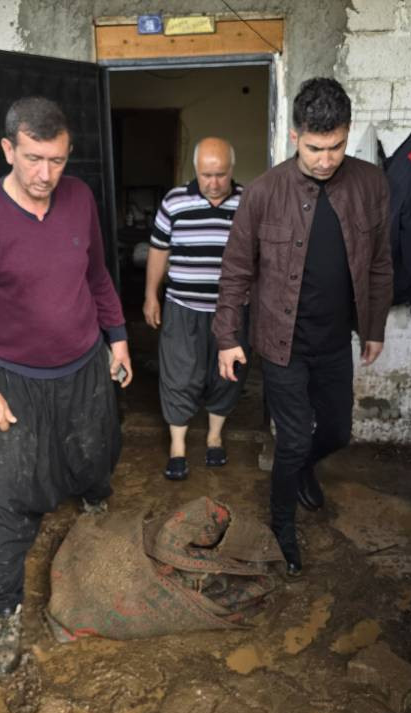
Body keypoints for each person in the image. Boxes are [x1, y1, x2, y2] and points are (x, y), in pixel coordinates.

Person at [0, 96, 132, 675]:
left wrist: (118, 337)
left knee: (95, 450)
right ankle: (4, 610)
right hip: (12, 379)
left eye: (58, 160)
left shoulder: (80, 198)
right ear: (8, 150)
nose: (46, 174)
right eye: (34, 159)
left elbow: (97, 275)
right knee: (8, 495)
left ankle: (93, 502)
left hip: (84, 365)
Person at [214, 78, 393, 577]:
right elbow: (235, 271)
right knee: (291, 440)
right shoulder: (264, 192)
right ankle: (282, 529)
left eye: (336, 146)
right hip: (281, 342)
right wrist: (226, 337)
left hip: (334, 341)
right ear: (295, 136)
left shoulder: (371, 184)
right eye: (315, 148)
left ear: (348, 132)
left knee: (337, 432)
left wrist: (374, 327)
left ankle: (302, 469)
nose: (326, 159)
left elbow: (380, 263)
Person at [144, 137, 247, 480]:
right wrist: (151, 295)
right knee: (179, 374)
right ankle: (178, 447)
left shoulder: (248, 202)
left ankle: (215, 437)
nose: (213, 183)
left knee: (227, 375)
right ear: (195, 170)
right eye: (206, 175)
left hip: (231, 311)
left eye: (221, 175)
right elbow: (159, 249)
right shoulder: (174, 201)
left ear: (232, 170)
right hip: (182, 307)